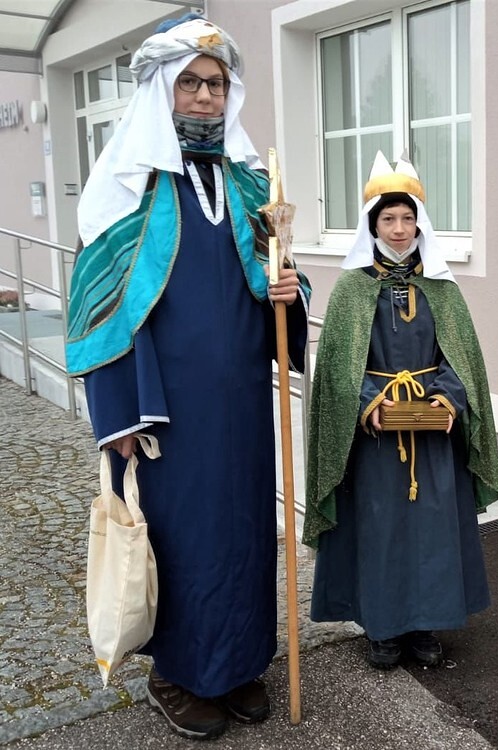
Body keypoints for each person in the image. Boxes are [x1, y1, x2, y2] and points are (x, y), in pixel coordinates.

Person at [66, 15, 310, 741]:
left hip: (241, 404)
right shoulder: (128, 188)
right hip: (166, 411)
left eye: (217, 85)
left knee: (243, 530)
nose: (206, 97)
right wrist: (122, 412)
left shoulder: (250, 185)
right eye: (191, 84)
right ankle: (176, 673)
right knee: (181, 538)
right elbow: (101, 308)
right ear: (161, 91)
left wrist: (290, 293)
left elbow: (278, 281)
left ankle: (238, 663)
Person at [305, 151, 498, 671]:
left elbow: (461, 359)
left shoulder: (441, 287)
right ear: (372, 225)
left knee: (432, 530)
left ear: (420, 223)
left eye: (407, 218)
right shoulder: (351, 289)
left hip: (433, 436)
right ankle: (383, 627)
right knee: (381, 529)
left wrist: (447, 397)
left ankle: (425, 624)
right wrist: (368, 403)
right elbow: (338, 369)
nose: (398, 229)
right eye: (388, 219)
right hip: (376, 441)